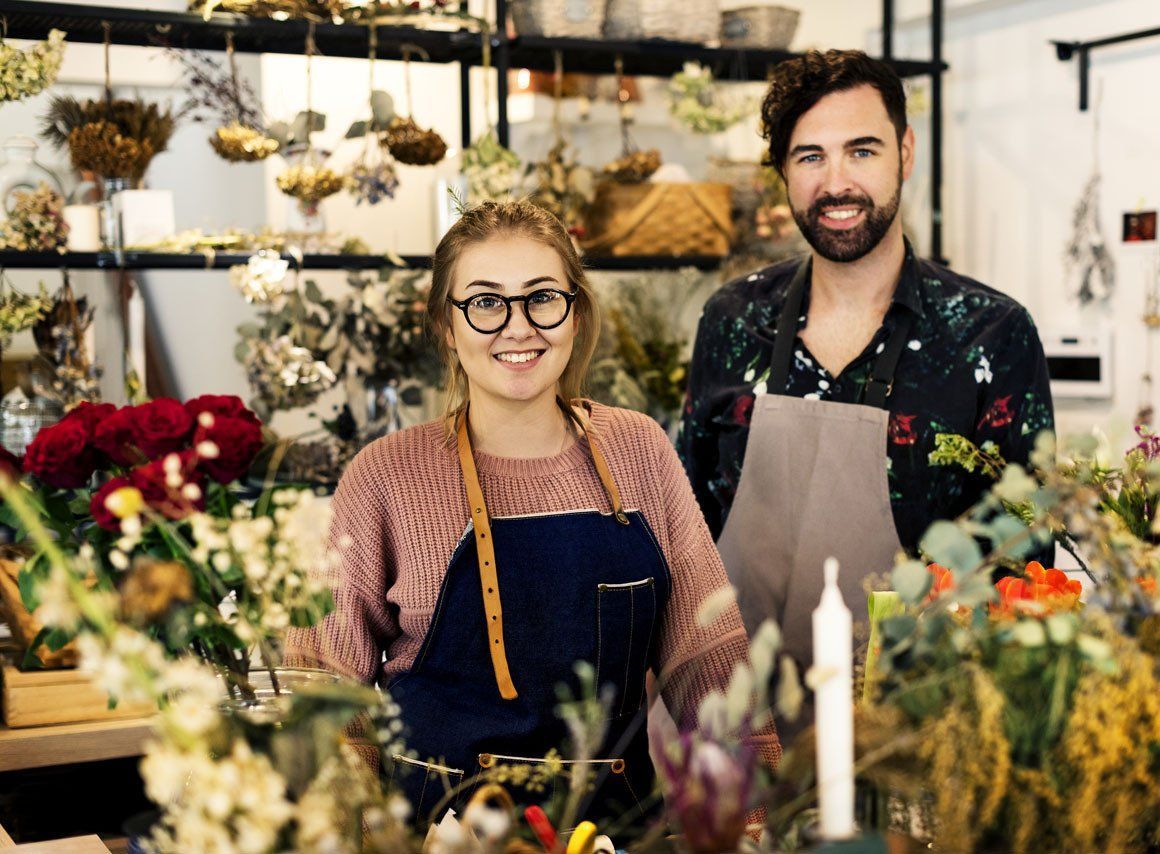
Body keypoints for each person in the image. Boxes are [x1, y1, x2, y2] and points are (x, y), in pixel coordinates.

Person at [291, 200, 779, 834]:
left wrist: (754, 822)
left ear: (575, 314)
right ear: (447, 324)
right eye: (486, 302)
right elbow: (326, 685)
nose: (518, 327)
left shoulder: (640, 449)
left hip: (609, 834)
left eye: (542, 298)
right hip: (438, 834)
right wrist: (348, 829)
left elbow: (707, 661)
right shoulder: (386, 475)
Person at [678, 50, 1055, 709]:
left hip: (917, 732)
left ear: (905, 153)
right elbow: (688, 527)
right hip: (744, 727)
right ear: (783, 174)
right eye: (810, 157)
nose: (836, 183)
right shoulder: (733, 321)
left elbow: (1026, 557)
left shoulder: (990, 334)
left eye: (862, 151)